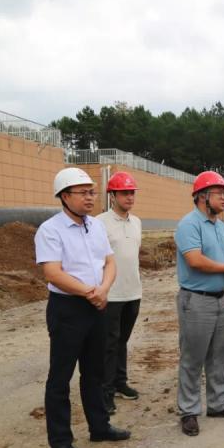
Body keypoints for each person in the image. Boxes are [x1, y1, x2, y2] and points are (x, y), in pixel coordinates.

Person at [34, 167, 131, 448]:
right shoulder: (50, 230)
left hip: (97, 305)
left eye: (92, 192)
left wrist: (103, 289)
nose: (90, 198)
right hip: (68, 309)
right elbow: (53, 273)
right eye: (83, 193)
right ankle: (61, 441)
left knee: (95, 372)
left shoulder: (96, 226)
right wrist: (90, 292)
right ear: (64, 196)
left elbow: (109, 262)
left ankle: (99, 427)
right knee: (60, 377)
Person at [174, 170, 224, 437]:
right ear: (202, 197)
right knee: (192, 358)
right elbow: (195, 260)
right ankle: (189, 411)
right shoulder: (189, 225)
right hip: (197, 301)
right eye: (219, 193)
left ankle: (218, 403)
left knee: (219, 355)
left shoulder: (220, 226)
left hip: (221, 299)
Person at [97, 172, 142, 415]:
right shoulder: (99, 223)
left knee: (122, 340)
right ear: (112, 195)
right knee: (108, 344)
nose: (129, 197)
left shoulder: (137, 222)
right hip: (111, 294)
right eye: (124, 193)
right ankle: (105, 392)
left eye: (132, 193)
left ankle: (119, 382)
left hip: (133, 292)